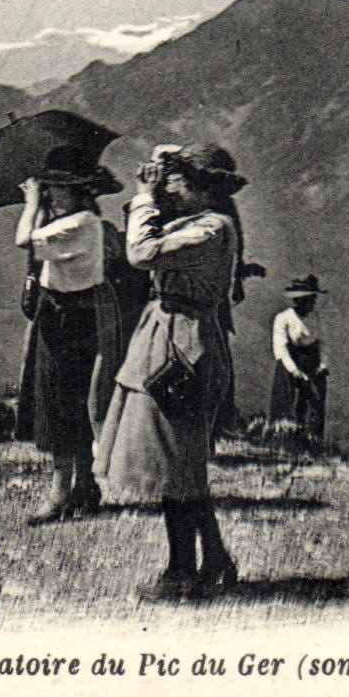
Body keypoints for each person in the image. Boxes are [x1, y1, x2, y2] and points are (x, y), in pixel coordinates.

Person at [94, 143, 244, 600]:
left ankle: (181, 574)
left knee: (176, 463)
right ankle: (213, 560)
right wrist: (153, 197)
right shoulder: (199, 221)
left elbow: (141, 252)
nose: (169, 190)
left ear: (203, 187)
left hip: (184, 346)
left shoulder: (211, 229)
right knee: (179, 461)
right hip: (170, 337)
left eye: (176, 182)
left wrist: (144, 197)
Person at [14, 145, 125, 524]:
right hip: (67, 314)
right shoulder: (78, 223)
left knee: (60, 402)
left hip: (69, 320)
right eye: (48, 188)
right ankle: (84, 486)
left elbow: (24, 240)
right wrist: (41, 209)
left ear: (78, 191)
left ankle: (60, 495)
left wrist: (31, 204)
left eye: (58, 188)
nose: (51, 194)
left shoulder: (80, 224)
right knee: (71, 401)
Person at [269, 275, 329, 444]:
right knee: (286, 397)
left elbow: (323, 343)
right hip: (290, 361)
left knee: (314, 398)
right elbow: (281, 350)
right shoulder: (283, 318)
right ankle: (283, 437)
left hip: (311, 359)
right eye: (309, 299)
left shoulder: (316, 317)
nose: (312, 303)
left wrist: (323, 364)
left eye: (313, 299)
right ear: (299, 300)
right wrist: (295, 372)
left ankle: (312, 440)